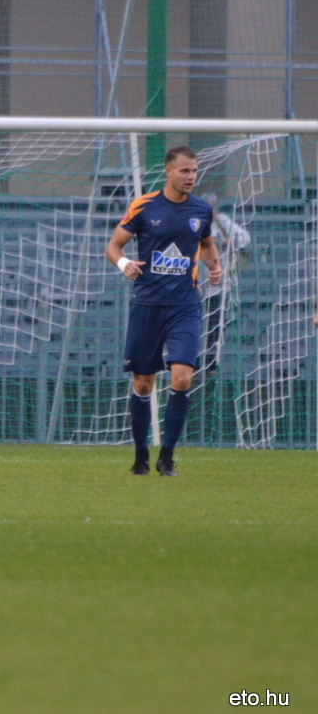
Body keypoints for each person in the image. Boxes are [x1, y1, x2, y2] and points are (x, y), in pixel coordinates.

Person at [105, 146, 221, 477]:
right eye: (185, 171)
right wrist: (125, 263)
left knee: (183, 378)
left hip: (185, 304)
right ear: (168, 172)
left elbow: (207, 243)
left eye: (195, 171)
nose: (191, 177)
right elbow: (113, 246)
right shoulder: (144, 206)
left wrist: (215, 265)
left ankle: (167, 456)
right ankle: (141, 456)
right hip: (148, 304)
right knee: (143, 384)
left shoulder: (201, 209)